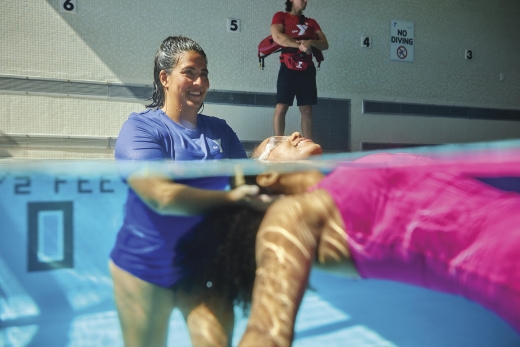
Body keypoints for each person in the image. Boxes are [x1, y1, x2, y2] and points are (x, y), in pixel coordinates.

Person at [235, 151, 520, 346]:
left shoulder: (337, 180)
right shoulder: (293, 211)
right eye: (275, 142)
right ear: (267, 176)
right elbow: (266, 331)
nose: (294, 133)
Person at [109, 35, 265, 347]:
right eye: (190, 72)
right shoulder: (141, 129)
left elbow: (248, 183)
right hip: (144, 268)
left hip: (203, 267)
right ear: (164, 78)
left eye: (204, 73)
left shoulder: (219, 131)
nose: (200, 81)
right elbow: (162, 197)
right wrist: (230, 198)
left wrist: (278, 155)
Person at [271, 0, 329, 139]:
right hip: (288, 68)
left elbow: (325, 44)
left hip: (307, 69)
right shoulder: (280, 16)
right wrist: (299, 45)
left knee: (307, 109)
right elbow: (277, 36)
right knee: (281, 107)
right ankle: (278, 144)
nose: (305, 1)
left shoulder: (312, 22)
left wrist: (311, 42)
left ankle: (308, 146)